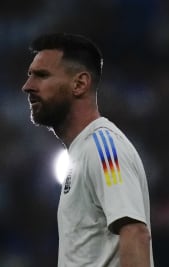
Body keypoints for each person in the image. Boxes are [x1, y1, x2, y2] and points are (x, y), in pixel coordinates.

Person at [21, 33, 154, 267]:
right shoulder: (83, 152)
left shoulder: (104, 149)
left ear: (80, 84)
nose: (27, 86)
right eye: (30, 75)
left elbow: (135, 232)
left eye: (42, 75)